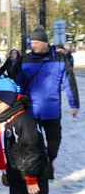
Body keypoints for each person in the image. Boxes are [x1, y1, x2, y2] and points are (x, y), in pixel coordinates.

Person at [16, 25, 80, 179]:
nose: (33, 45)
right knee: (31, 142)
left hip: (51, 110)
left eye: (36, 42)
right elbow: (17, 83)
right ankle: (37, 169)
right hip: (30, 109)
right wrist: (15, 103)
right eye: (31, 42)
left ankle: (49, 160)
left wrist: (74, 104)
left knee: (54, 142)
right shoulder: (24, 60)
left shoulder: (60, 59)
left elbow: (69, 83)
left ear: (45, 42)